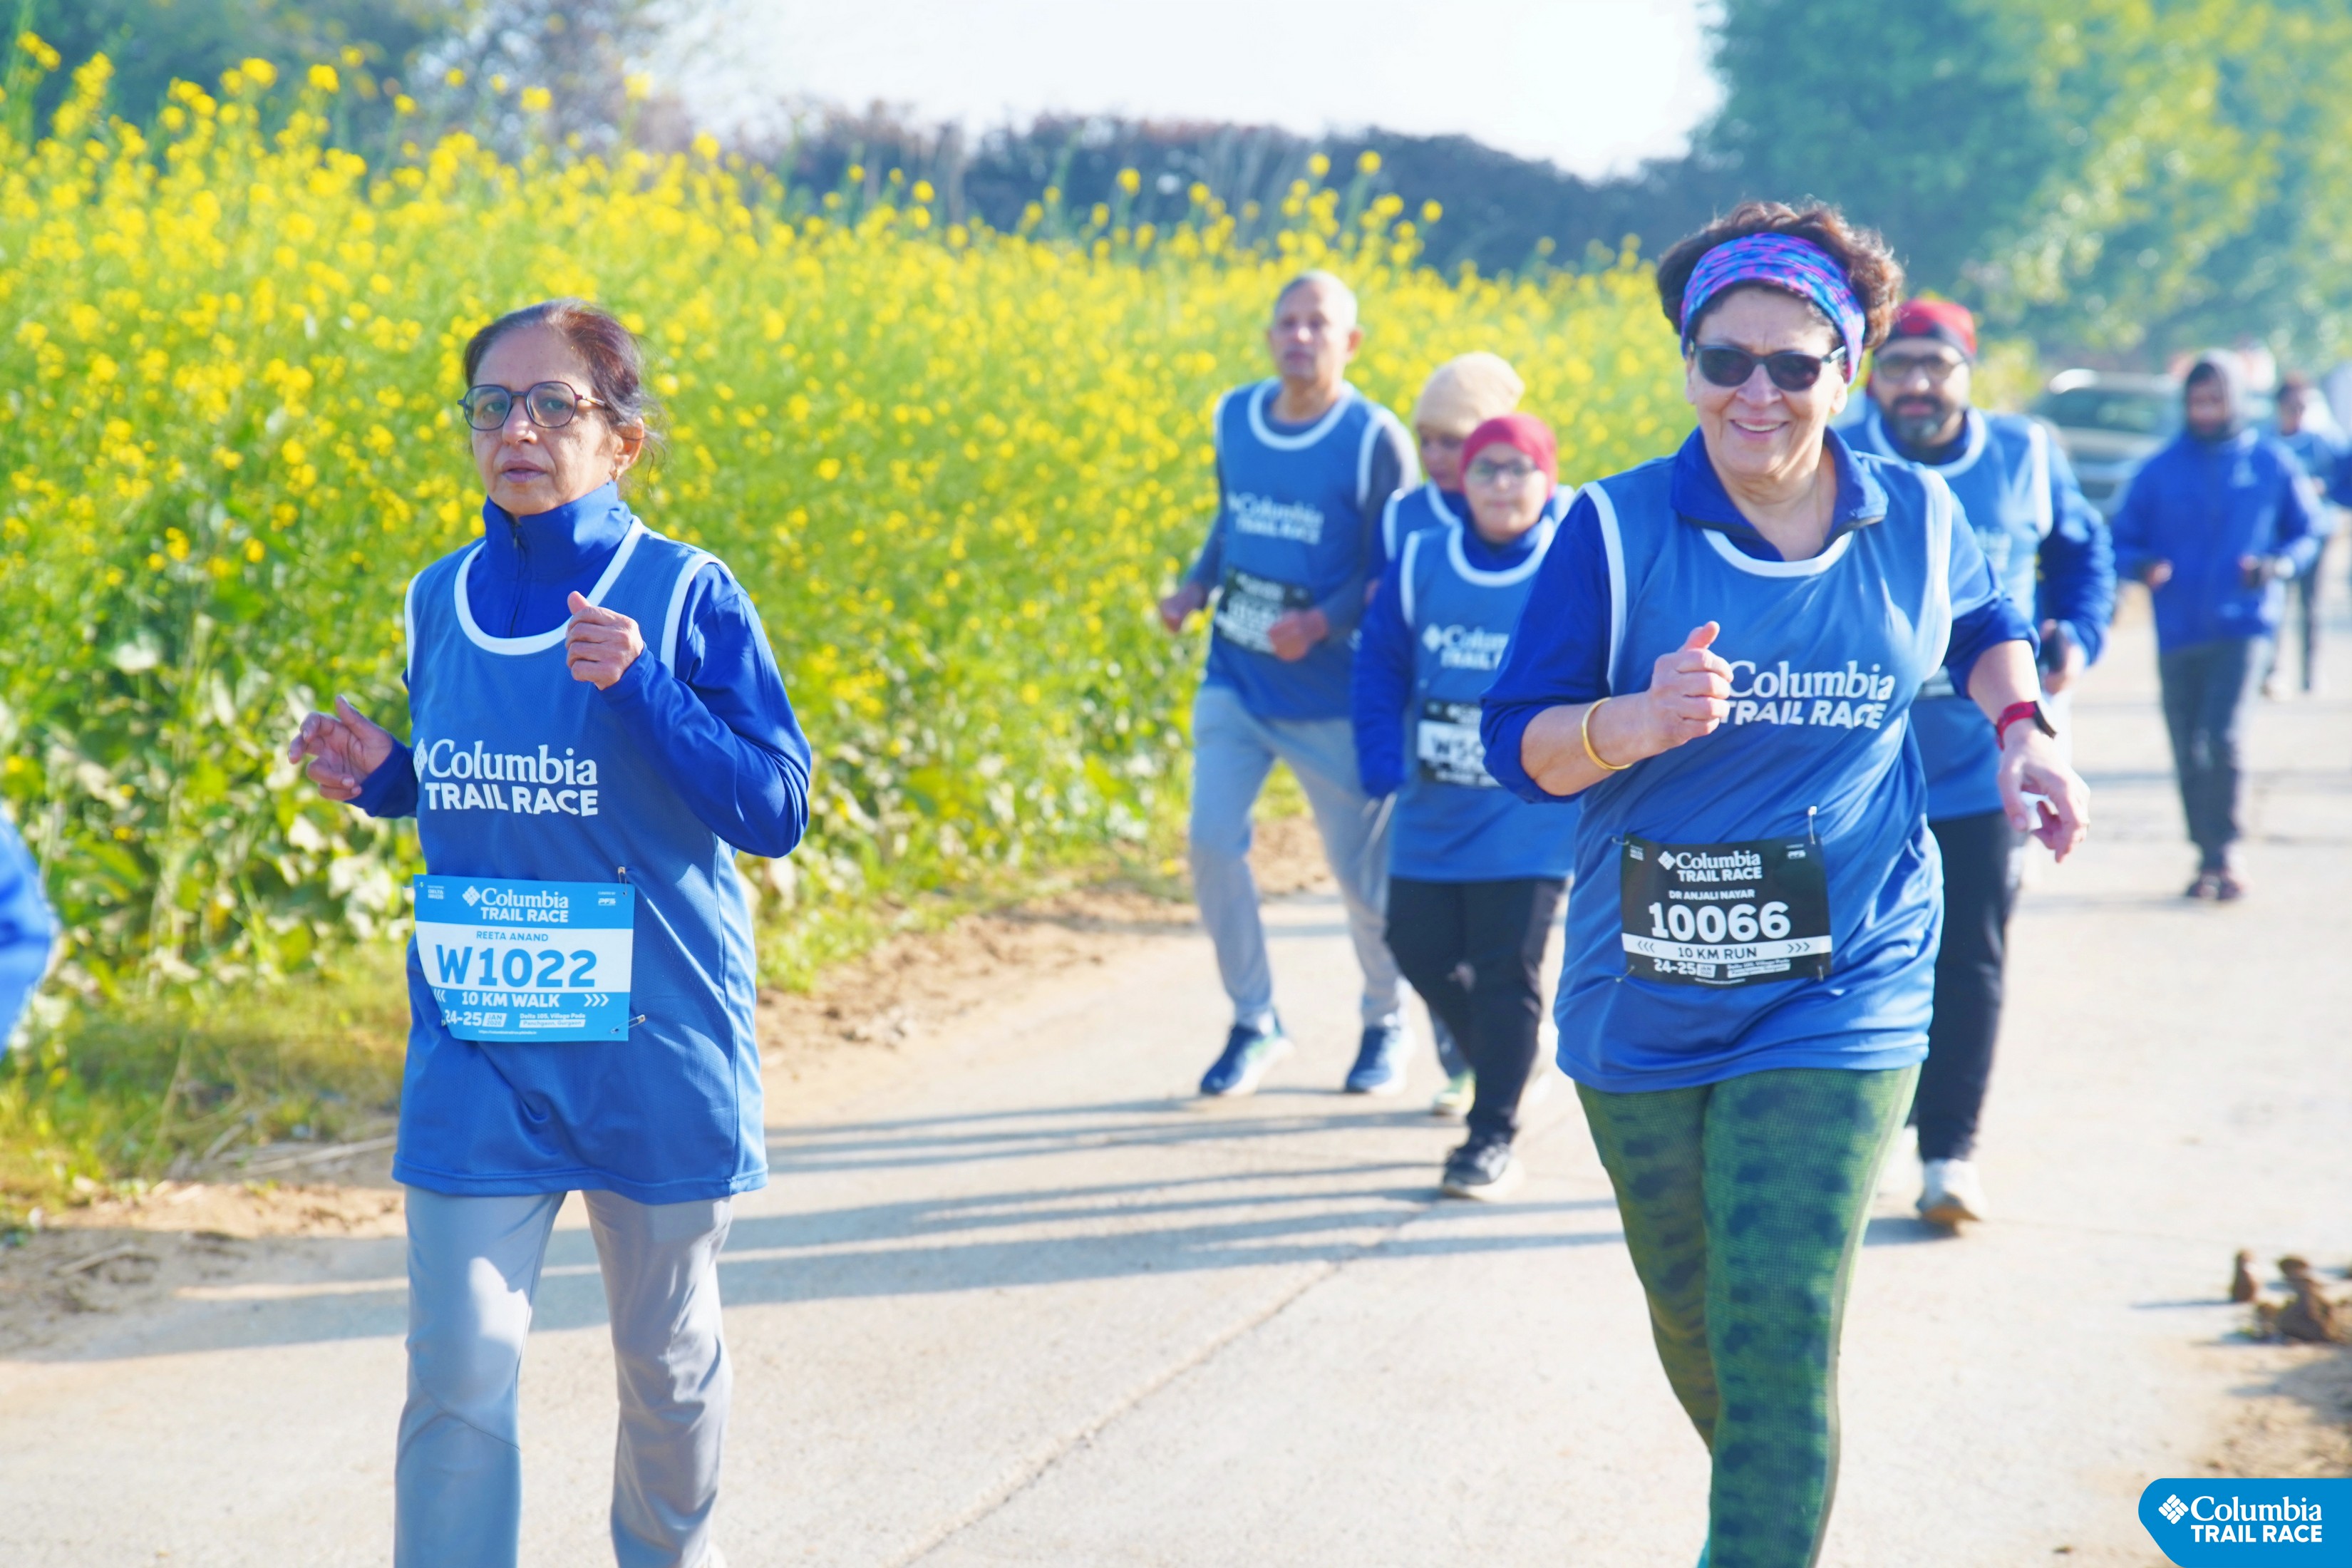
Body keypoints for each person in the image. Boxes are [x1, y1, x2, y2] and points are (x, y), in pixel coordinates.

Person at [1480, 202, 2087, 1568]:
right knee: (1696, 1318)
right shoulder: (1614, 528)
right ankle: (1774, 1487)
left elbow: (1986, 621)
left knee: (1779, 1310)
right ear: (1689, 364)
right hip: (1646, 995)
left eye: (1794, 364)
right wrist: (1630, 723)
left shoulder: (1916, 517)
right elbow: (1515, 744)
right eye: (1725, 360)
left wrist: (2026, 730)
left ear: (1847, 371)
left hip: (1844, 983)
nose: (1756, 393)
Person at [288, 298, 811, 1568]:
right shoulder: (437, 597)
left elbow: (775, 808)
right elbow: (491, 778)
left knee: (666, 1365)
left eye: (553, 405)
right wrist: (392, 778)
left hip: (653, 1041)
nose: (516, 430)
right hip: (481, 1039)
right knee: (459, 1361)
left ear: (622, 440)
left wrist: (645, 686)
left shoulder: (683, 594)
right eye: (492, 405)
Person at [1849, 299, 2115, 1228]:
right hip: (1861, 771)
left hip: (1983, 764)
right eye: (1898, 366)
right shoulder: (1834, 452)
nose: (1917, 384)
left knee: (1969, 956)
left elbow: (2083, 556)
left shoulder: (2024, 453)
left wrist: (2077, 634)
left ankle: (1948, 1153)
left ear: (1969, 373)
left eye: (1937, 366)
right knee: (1853, 963)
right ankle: (1874, 1128)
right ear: (1870, 377)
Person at [1157, 272, 1418, 1098]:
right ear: (1270, 335)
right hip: (1234, 679)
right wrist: (1196, 587)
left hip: (1333, 698)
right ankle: (1255, 1019)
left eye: (1318, 324)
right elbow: (1232, 516)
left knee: (1363, 879)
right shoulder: (1235, 414)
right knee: (1211, 841)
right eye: (1288, 322)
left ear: (1351, 342)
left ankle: (1385, 1019)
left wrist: (1322, 623)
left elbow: (1392, 567)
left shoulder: (1374, 438)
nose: (1300, 337)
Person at [1354, 412, 1578, 1197]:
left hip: (1530, 814)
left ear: (1548, 481)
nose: (1502, 485)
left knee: (1505, 967)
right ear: (1462, 483)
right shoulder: (1422, 560)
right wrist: (1379, 755)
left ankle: (1490, 1137)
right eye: (1487, 469)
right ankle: (1507, 1057)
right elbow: (1380, 662)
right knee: (1414, 946)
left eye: (1520, 469)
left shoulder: (1567, 564)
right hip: (1432, 809)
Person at [2109, 356, 2319, 900]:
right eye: (2197, 402)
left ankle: (2227, 851)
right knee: (2187, 744)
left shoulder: (2269, 464)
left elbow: (2306, 531)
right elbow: (2120, 539)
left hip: (2245, 624)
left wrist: (2277, 565)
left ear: (2236, 402)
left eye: (2215, 401)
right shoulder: (2159, 470)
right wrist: (2142, 566)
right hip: (2178, 628)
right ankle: (2204, 855)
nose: (2206, 412)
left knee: (2222, 738)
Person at [1380, 352, 1528, 1116]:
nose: (1438, 457)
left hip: (1520, 798)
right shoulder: (1407, 520)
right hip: (1431, 782)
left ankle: (1492, 1090)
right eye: (1427, 441)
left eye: (1455, 441)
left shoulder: (1549, 514)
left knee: (1502, 959)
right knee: (1419, 940)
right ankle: (1491, 1057)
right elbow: (1384, 639)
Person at [2265, 373, 2345, 695]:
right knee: (2275, 602)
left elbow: (2342, 475)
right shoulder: (2268, 444)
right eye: (2291, 407)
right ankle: (2272, 670)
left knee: (2310, 604)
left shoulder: (2321, 442)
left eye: (2302, 407)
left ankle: (2310, 673)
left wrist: (2322, 488)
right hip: (2277, 535)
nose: (2297, 413)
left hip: (2315, 533)